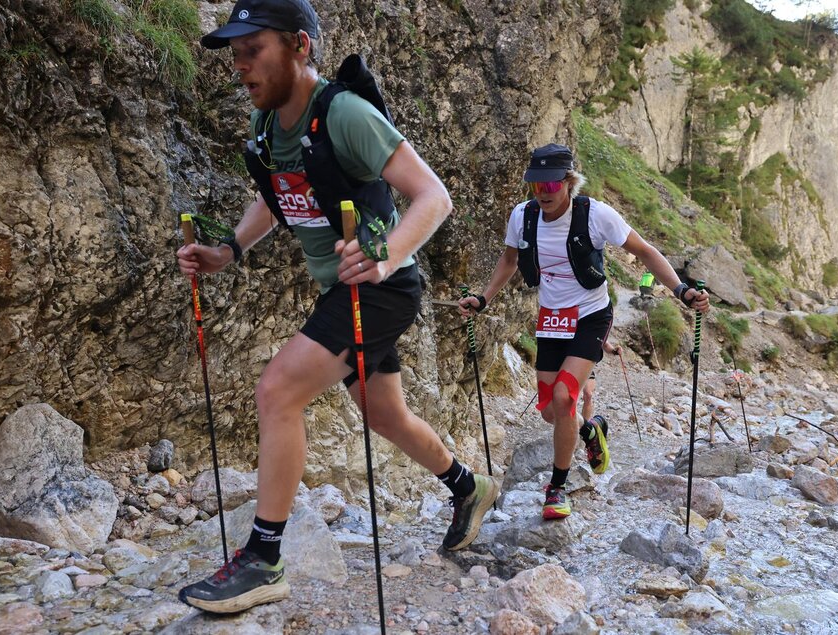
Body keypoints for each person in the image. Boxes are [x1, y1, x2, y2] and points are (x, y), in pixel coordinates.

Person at [176, 0, 497, 613]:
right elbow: (276, 198)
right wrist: (228, 250)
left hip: (378, 289)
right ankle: (468, 486)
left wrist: (386, 256)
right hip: (344, 291)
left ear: (299, 46)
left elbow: (434, 196)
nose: (241, 66)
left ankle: (263, 559)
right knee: (383, 414)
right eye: (236, 54)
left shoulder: (345, 114)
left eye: (254, 50)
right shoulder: (269, 128)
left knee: (277, 391)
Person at [459, 143, 709, 521]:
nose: (543, 192)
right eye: (536, 184)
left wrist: (681, 290)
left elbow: (644, 250)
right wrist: (483, 298)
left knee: (563, 398)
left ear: (569, 182)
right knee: (549, 412)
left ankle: (557, 488)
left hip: (591, 315)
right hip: (551, 319)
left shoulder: (595, 215)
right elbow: (509, 261)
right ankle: (591, 431)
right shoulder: (522, 217)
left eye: (552, 184)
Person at [580, 340, 618, 468]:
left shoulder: (596, 325)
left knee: (588, 395)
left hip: (587, 365)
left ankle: (585, 429)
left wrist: (614, 351)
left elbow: (605, 345)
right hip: (570, 362)